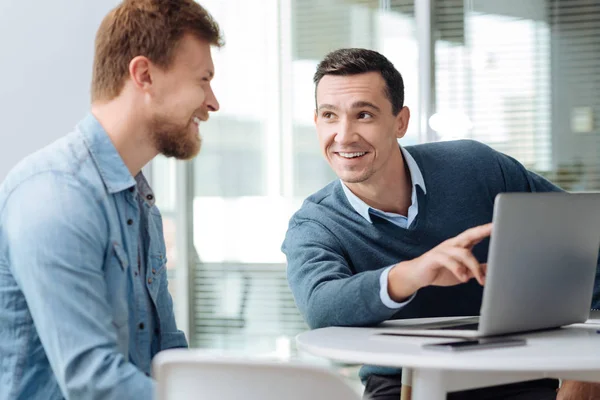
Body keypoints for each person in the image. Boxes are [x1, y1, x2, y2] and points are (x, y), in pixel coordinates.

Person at [281, 48, 600, 400]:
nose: (344, 135)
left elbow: (586, 237)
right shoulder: (315, 223)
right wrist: (414, 273)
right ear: (316, 123)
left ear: (400, 122)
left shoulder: (477, 168)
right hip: (401, 385)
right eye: (329, 116)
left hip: (518, 378)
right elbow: (322, 308)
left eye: (364, 115)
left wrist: (587, 374)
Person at [0, 0, 221, 398]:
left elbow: (166, 354)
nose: (212, 102)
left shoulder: (139, 203)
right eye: (203, 79)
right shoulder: (55, 195)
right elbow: (92, 382)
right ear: (144, 74)